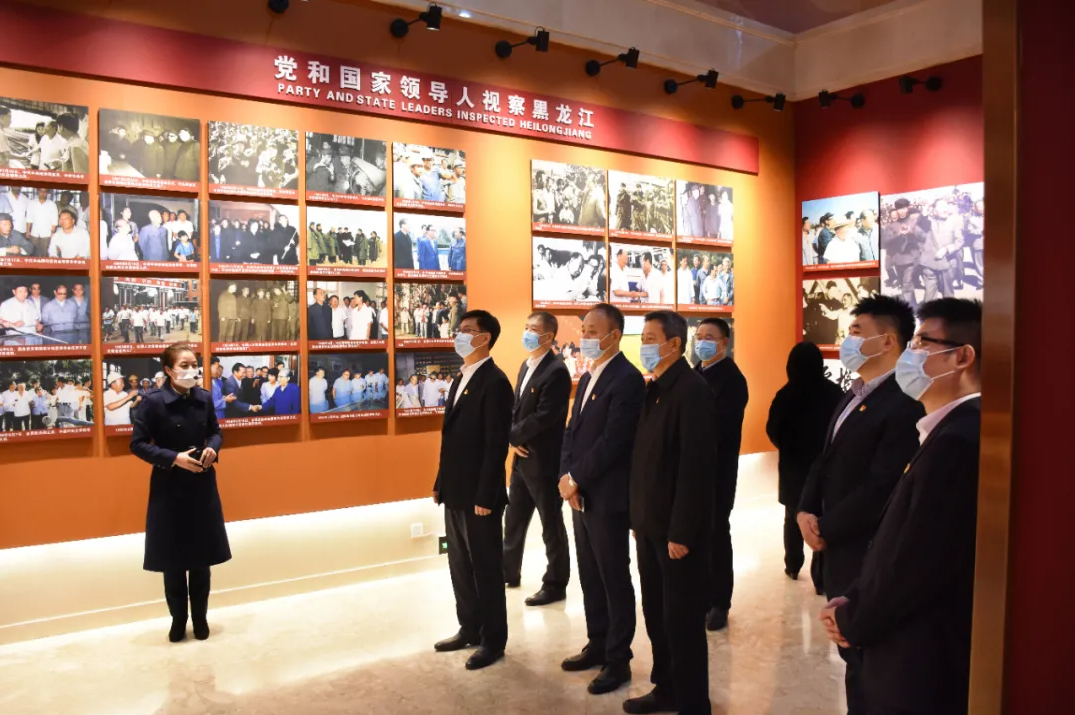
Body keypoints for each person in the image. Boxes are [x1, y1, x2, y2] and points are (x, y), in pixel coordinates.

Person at [823, 298, 982, 715]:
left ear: (962, 356)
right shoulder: (942, 430)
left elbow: (916, 560)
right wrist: (853, 596)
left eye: (923, 343)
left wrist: (855, 618)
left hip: (916, 656)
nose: (912, 353)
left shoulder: (958, 442)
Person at [797, 294, 925, 715]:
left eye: (856, 332)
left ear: (888, 341)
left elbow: (882, 485)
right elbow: (824, 458)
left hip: (864, 548)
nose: (848, 341)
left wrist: (827, 527)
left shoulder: (904, 401)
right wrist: (805, 510)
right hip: (837, 546)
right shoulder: (853, 393)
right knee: (851, 656)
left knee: (869, 660)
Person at [624, 310, 717, 715]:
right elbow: (644, 460)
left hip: (677, 535)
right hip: (650, 525)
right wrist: (638, 517)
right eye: (642, 338)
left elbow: (695, 469)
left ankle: (693, 703)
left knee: (682, 622)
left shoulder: (692, 391)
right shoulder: (655, 388)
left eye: (650, 338)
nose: (643, 345)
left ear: (674, 344)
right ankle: (666, 689)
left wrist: (681, 532)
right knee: (657, 614)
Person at [557, 303, 644, 695]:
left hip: (607, 496)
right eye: (584, 330)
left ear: (614, 335)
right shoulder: (590, 374)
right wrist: (566, 476)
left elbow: (614, 441)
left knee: (613, 578)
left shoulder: (627, 379)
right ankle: (597, 642)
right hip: (580, 495)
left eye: (593, 331)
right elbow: (572, 431)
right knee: (589, 574)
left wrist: (576, 477)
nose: (585, 337)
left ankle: (618, 659)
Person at [130, 343, 230, 643]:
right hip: (169, 486)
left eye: (193, 364)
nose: (191, 370)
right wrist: (173, 458)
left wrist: (213, 447)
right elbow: (137, 444)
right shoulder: (152, 402)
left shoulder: (203, 397)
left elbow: (216, 431)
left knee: (201, 559)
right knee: (172, 561)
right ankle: (178, 620)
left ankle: (200, 618)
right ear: (168, 370)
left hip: (201, 483)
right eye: (184, 365)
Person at [432, 310, 514, 671]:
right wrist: (440, 481)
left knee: (486, 569)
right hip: (455, 490)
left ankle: (493, 639)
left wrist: (486, 495)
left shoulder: (495, 382)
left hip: (481, 497)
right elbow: (451, 439)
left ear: (485, 338)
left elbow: (496, 446)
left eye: (467, 330)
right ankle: (469, 627)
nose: (459, 335)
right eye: (459, 329)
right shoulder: (460, 378)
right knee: (461, 566)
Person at [502, 312, 572, 605]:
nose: (528, 333)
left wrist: (513, 436)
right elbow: (517, 407)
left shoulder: (556, 371)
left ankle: (555, 583)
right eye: (526, 327)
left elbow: (545, 415)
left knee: (550, 525)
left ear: (549, 336)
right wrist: (512, 435)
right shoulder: (526, 364)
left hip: (544, 461)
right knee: (513, 519)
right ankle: (508, 572)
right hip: (521, 460)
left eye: (534, 329)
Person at [766, 342, 843, 586]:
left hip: (793, 466)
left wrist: (788, 447)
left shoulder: (785, 394)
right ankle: (820, 576)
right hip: (826, 466)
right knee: (822, 518)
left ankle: (792, 565)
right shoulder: (834, 393)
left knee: (792, 516)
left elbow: (773, 430)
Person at [691, 317, 749, 632]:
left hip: (717, 471)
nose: (702, 341)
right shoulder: (695, 373)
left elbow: (719, 427)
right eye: (698, 335)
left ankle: (720, 602)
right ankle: (700, 596)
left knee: (716, 533)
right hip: (691, 472)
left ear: (724, 343)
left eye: (709, 337)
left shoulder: (732, 380)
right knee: (696, 534)